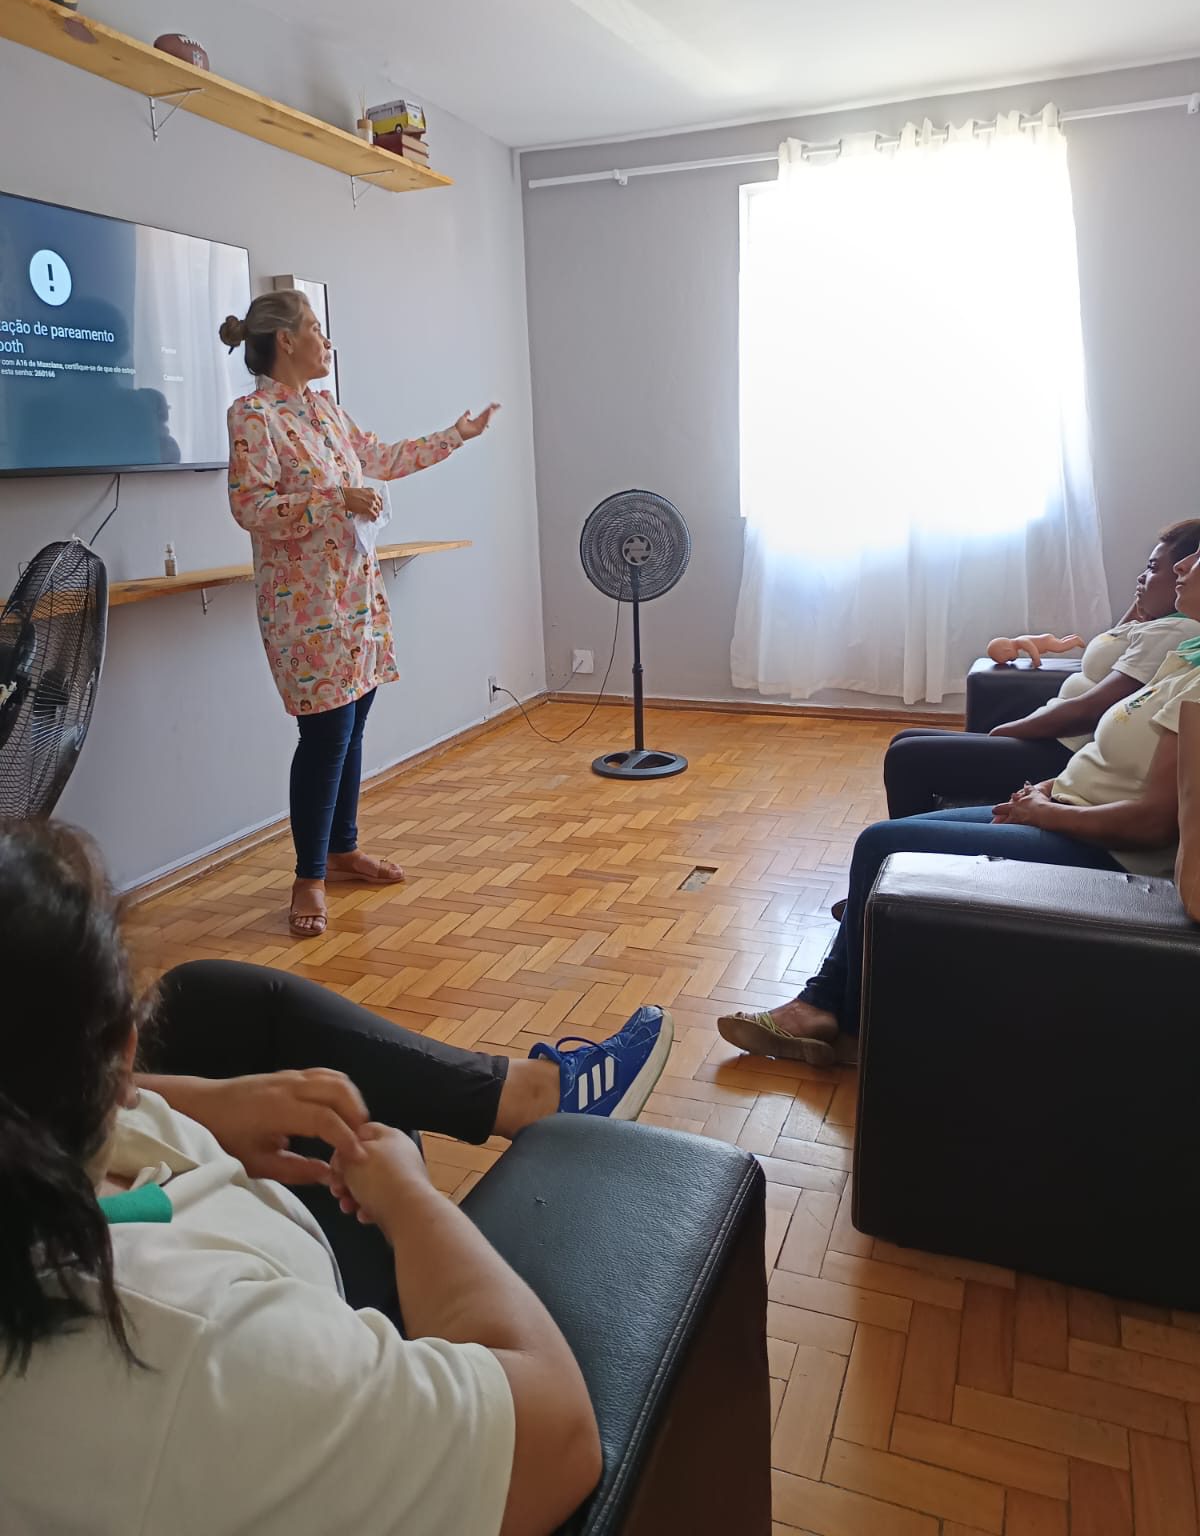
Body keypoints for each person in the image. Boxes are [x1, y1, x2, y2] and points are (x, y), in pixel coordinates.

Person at [0, 819, 676, 1536]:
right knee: (381, 1132)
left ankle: (528, 1094)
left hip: (180, 1212)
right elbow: (556, 1443)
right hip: (299, 1313)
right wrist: (411, 1201)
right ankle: (541, 1103)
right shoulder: (187, 1348)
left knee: (208, 998)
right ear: (119, 1053)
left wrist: (202, 1102)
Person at [717, 544, 1200, 1064]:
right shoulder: (1187, 657)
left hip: (1107, 852)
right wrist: (1046, 790)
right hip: (1066, 807)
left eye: (1195, 559)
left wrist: (1048, 813)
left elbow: (1154, 824)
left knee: (881, 844)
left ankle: (849, 1025)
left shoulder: (1194, 684)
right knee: (888, 841)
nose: (1181, 566)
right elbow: (1110, 758)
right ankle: (827, 996)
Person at [219, 290, 499, 939]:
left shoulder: (326, 411)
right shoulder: (254, 416)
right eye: (316, 329)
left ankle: (342, 850)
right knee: (324, 736)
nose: (327, 341)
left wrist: (456, 435)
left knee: (353, 726)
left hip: (354, 597)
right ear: (286, 340)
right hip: (303, 607)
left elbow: (383, 459)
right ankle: (308, 875)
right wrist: (334, 500)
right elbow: (250, 507)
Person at [881, 519, 1200, 820]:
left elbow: (1090, 710)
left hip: (1064, 749)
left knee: (906, 757)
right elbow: (1113, 638)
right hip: (1057, 740)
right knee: (905, 739)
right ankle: (921, 836)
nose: (1141, 577)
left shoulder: (1175, 631)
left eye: (1152, 568)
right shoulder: (1158, 626)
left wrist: (1008, 730)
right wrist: (1147, 600)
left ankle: (915, 846)